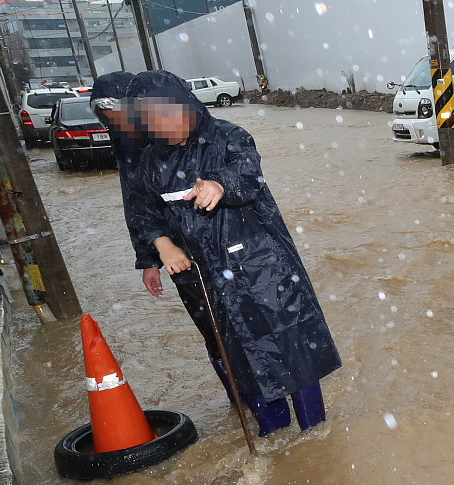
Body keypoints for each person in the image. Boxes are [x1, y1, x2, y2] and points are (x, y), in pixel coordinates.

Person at [122, 70, 340, 436]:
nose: (165, 127)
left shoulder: (227, 137)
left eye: (169, 116)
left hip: (260, 265)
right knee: (236, 355)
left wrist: (220, 185)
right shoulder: (148, 163)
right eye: (153, 122)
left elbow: (249, 174)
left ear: (185, 105)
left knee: (292, 346)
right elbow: (142, 212)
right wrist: (163, 245)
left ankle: (314, 436)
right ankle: (274, 435)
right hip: (201, 278)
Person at [90, 71, 160, 273]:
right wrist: (148, 260)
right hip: (178, 256)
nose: (117, 124)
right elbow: (136, 204)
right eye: (109, 119)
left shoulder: (173, 135)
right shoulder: (125, 145)